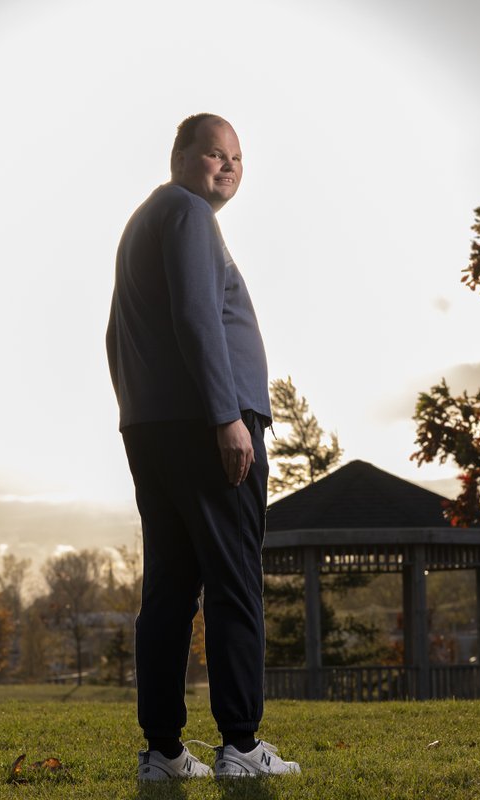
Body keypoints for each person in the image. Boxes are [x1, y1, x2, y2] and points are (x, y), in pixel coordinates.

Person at [105, 113, 301, 780]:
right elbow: (196, 314)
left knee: (168, 591)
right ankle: (242, 748)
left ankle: (162, 753)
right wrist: (226, 417)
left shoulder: (146, 221)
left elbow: (116, 337)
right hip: (207, 427)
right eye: (213, 154)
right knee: (235, 583)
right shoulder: (188, 214)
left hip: (154, 429)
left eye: (237, 158)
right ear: (180, 156)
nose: (226, 167)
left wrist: (139, 414)